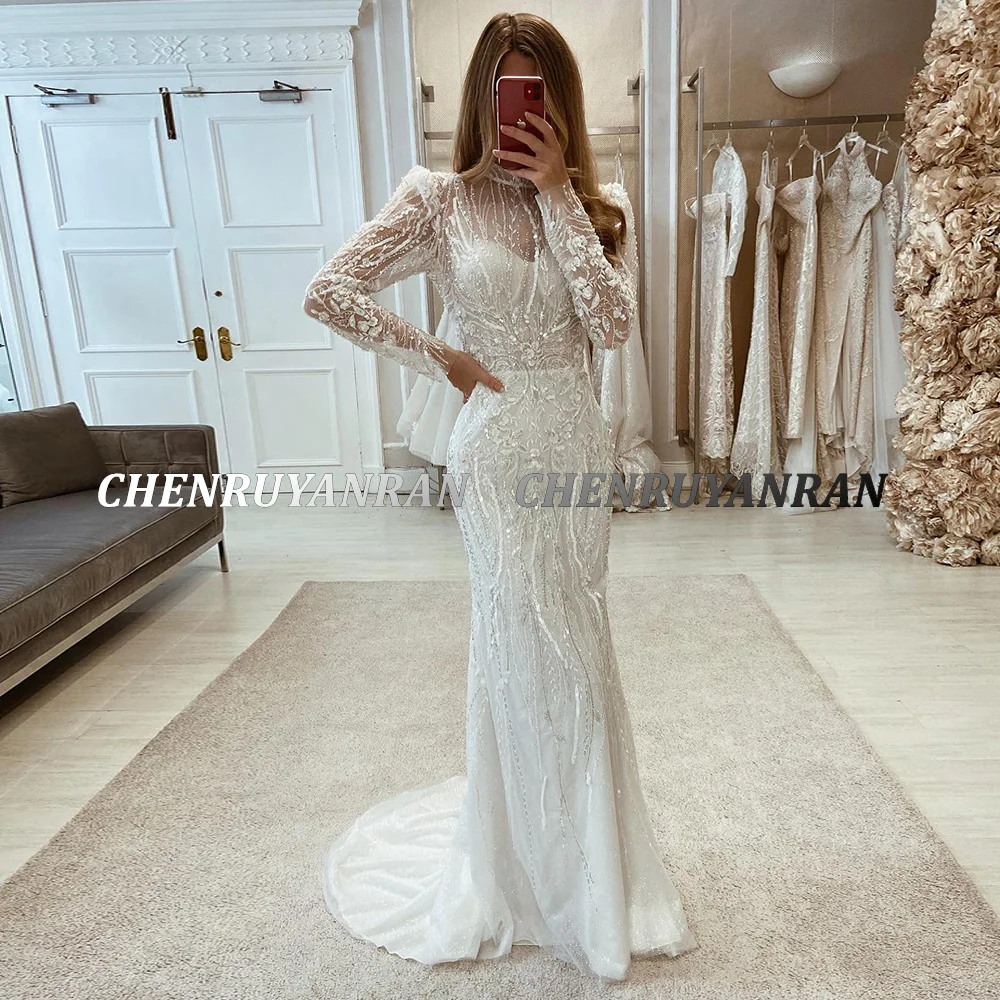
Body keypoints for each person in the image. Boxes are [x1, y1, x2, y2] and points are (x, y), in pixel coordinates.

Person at [302, 12, 696, 982]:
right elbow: (330, 290)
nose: (522, 106)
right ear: (484, 96)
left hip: (574, 449)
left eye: (539, 90)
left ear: (561, 101)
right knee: (516, 643)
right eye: (507, 88)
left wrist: (558, 192)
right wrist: (438, 354)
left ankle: (588, 862)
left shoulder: (597, 206)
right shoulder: (435, 200)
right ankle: (516, 864)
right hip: (493, 451)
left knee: (579, 643)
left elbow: (611, 325)